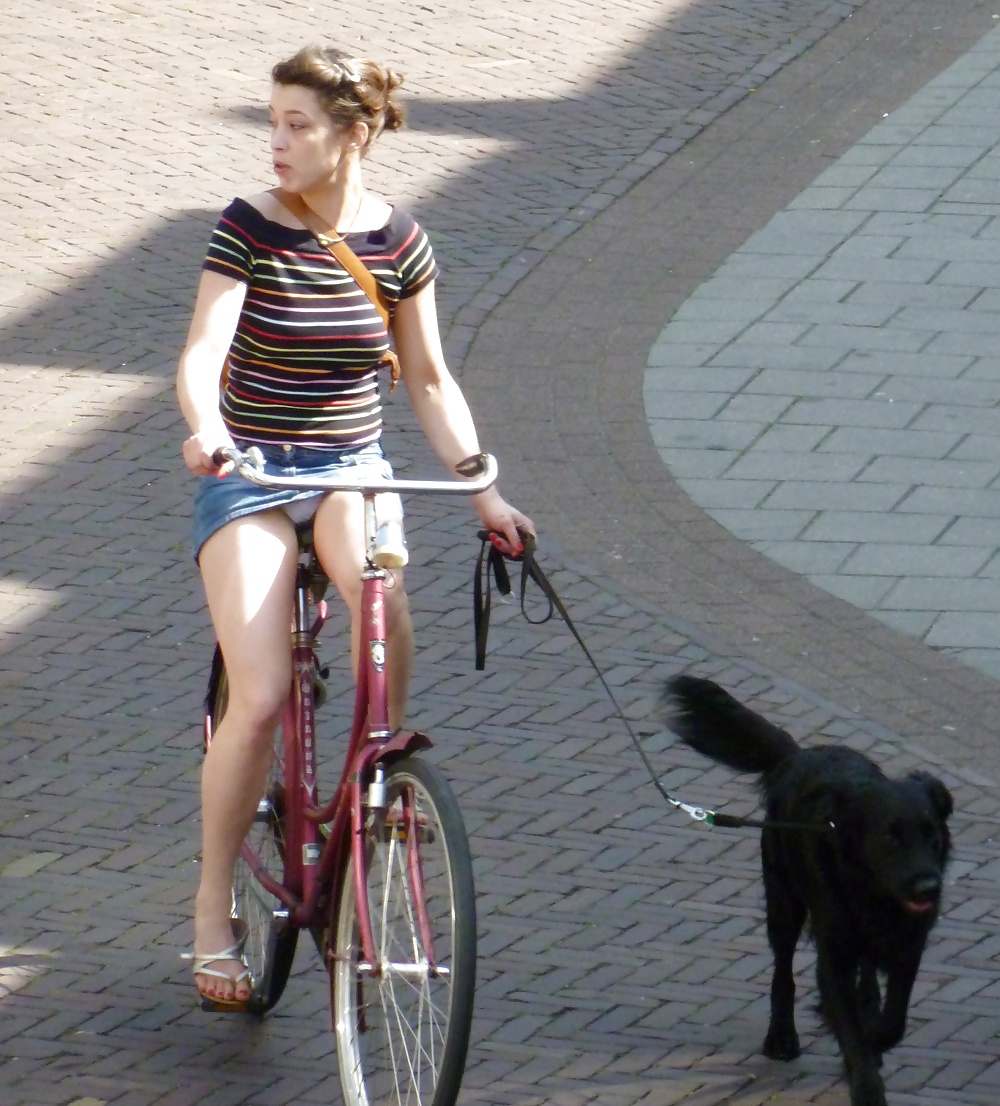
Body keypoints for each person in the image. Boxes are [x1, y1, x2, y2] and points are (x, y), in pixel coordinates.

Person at [176, 43, 535, 1009]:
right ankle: (214, 913)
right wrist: (206, 427)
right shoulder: (247, 226)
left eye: (299, 125)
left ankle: (376, 770)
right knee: (255, 698)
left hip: (349, 465)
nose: (278, 142)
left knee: (381, 586)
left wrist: (482, 488)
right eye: (274, 122)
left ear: (354, 135)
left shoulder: (401, 241)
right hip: (250, 472)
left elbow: (427, 377)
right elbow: (206, 348)